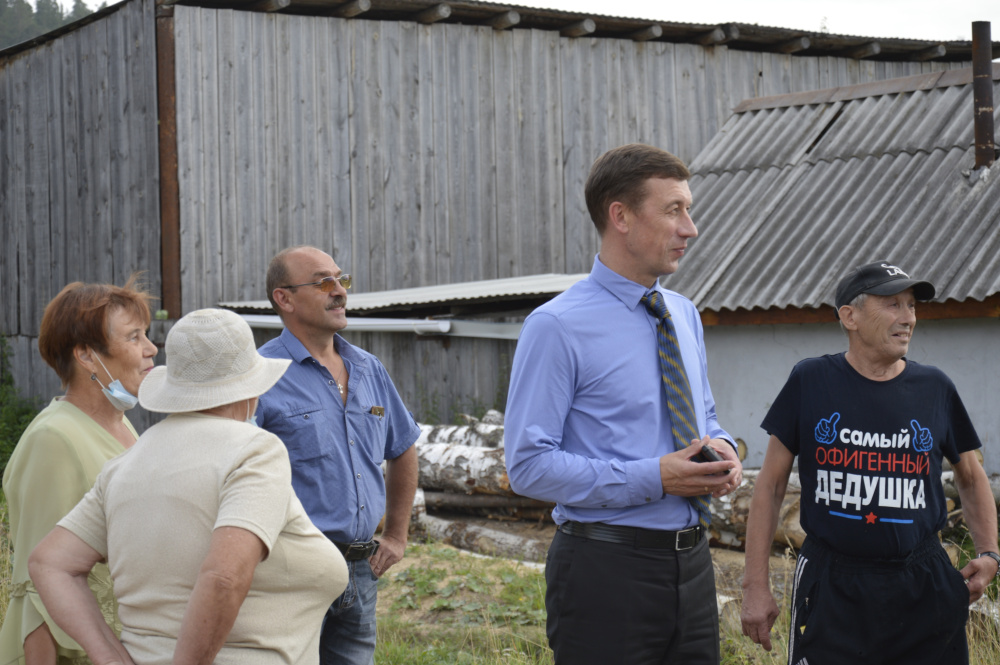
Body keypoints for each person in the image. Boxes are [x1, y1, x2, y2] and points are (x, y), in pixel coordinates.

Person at [504, 143, 743, 665]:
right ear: (621, 217)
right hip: (604, 571)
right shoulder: (556, 326)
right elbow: (527, 466)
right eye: (674, 210)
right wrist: (655, 477)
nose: (690, 229)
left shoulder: (682, 313)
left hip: (693, 565)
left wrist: (721, 447)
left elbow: (703, 414)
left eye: (689, 210)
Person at [28, 308, 349, 665]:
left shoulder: (125, 465)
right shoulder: (255, 450)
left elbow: (49, 563)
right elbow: (224, 577)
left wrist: (110, 657)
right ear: (252, 389)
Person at [741, 260, 1000, 665]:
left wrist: (990, 553)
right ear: (850, 317)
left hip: (923, 581)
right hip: (833, 584)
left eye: (912, 306)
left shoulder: (935, 387)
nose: (908, 318)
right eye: (893, 305)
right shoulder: (811, 380)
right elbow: (771, 486)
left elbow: (969, 476)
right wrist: (755, 585)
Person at [256, 246, 421, 665]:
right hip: (292, 572)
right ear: (284, 298)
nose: (339, 291)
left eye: (341, 279)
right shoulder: (259, 375)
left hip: (362, 570)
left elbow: (402, 447)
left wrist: (397, 535)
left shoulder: (368, 368)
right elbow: (235, 471)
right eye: (322, 282)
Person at [0, 278, 156, 665]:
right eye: (134, 336)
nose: (151, 348)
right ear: (87, 355)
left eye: (146, 334)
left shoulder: (120, 423)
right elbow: (35, 585)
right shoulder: (53, 439)